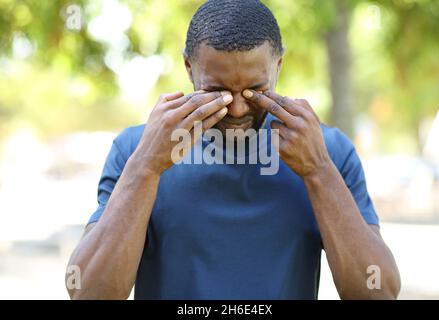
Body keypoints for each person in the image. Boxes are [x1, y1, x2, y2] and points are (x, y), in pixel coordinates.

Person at [66, 0, 400, 299]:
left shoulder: (328, 152)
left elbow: (379, 292)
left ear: (278, 65)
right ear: (188, 67)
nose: (238, 108)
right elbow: (87, 292)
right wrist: (145, 168)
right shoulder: (135, 151)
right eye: (218, 91)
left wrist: (318, 172)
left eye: (256, 90)